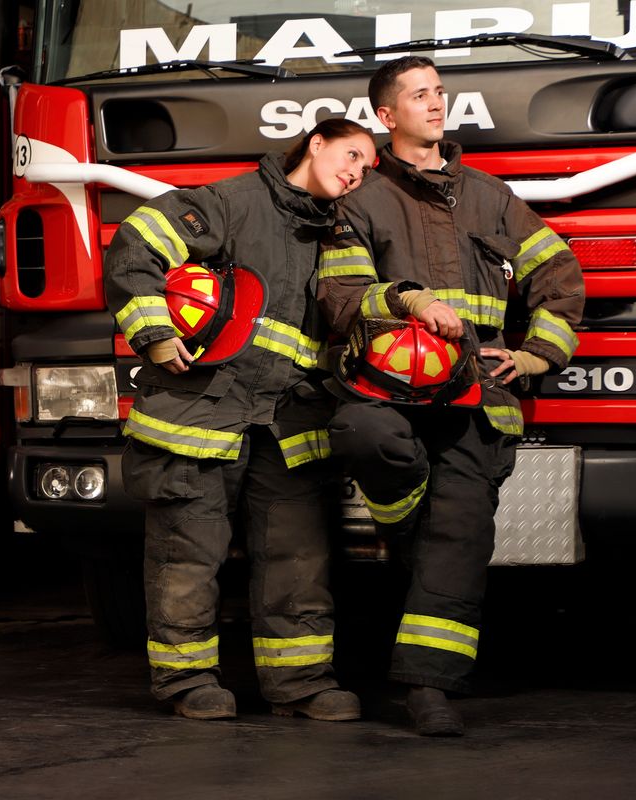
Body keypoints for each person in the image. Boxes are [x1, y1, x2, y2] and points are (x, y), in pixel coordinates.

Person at [317, 56, 586, 736]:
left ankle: (426, 686)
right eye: (419, 95)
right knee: (363, 438)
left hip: (478, 395)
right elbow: (343, 296)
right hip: (387, 393)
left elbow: (559, 272)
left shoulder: (491, 197)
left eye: (439, 92)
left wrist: (534, 355)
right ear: (386, 116)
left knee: (459, 535)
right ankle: (407, 524)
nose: (436, 104)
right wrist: (406, 299)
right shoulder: (358, 200)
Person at [103, 118, 376, 720]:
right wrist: (151, 332)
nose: (357, 171)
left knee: (298, 558)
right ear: (316, 143)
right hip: (201, 414)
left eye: (367, 167)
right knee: (188, 555)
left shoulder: (340, 232)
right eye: (352, 153)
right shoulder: (231, 202)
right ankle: (186, 682)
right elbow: (136, 243)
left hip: (290, 422)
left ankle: (301, 683)